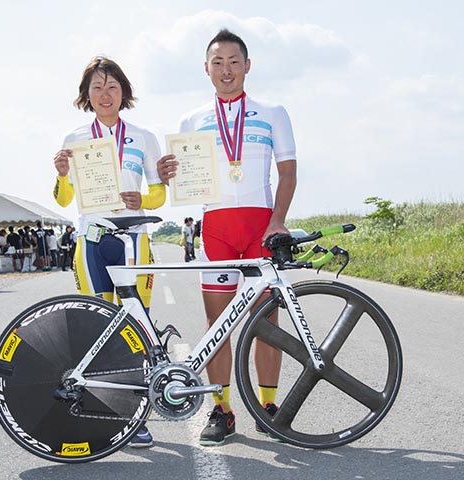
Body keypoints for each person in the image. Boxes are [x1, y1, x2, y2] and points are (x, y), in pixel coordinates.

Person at [157, 29, 297, 446]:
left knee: (266, 321)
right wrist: (167, 176)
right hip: (215, 228)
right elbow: (182, 183)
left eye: (234, 61)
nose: (226, 70)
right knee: (218, 324)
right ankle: (223, 411)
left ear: (247, 66)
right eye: (217, 63)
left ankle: (268, 408)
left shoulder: (273, 112)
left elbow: (287, 172)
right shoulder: (191, 120)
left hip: (260, 228)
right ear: (206, 69)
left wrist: (278, 220)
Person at [52, 55, 165, 448]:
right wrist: (63, 175)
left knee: (135, 325)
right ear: (86, 94)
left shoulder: (144, 137)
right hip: (93, 238)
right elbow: (65, 199)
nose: (105, 94)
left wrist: (144, 196)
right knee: (98, 325)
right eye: (97, 87)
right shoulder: (74, 138)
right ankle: (112, 414)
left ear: (124, 93)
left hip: (134, 241)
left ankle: (138, 413)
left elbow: (159, 191)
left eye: (112, 87)